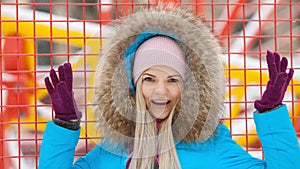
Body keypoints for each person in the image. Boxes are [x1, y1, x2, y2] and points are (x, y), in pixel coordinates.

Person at [38, 5, 300, 169]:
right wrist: (65, 125)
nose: (160, 92)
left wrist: (271, 115)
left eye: (172, 80)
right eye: (149, 79)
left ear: (187, 88)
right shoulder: (113, 150)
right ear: (134, 86)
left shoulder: (212, 146)